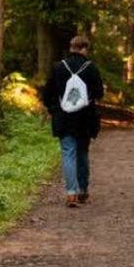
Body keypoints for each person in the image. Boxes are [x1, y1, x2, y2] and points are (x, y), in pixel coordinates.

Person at [43, 35, 104, 208]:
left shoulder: (58, 67)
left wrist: (53, 109)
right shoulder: (91, 68)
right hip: (85, 118)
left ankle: (71, 193)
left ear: (71, 48)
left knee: (68, 153)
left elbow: (48, 94)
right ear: (84, 48)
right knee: (82, 153)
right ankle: (83, 189)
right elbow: (99, 93)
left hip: (63, 117)